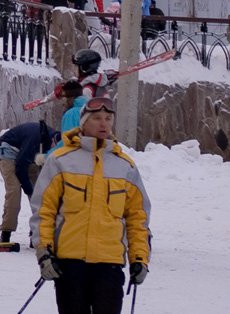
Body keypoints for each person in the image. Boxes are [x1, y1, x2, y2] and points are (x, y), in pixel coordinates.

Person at [33, 97, 150, 314]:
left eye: (108, 118)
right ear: (84, 123)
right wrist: (44, 252)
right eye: (97, 118)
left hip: (110, 265)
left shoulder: (125, 166)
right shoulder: (61, 160)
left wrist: (139, 258)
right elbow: (44, 211)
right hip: (70, 264)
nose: (103, 124)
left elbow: (138, 218)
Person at [0, 120, 56, 244]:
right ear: (53, 142)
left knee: (40, 195)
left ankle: (36, 233)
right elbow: (20, 167)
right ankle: (5, 234)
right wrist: (28, 188)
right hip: (8, 151)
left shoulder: (52, 143)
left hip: (28, 155)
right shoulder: (35, 138)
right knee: (14, 191)